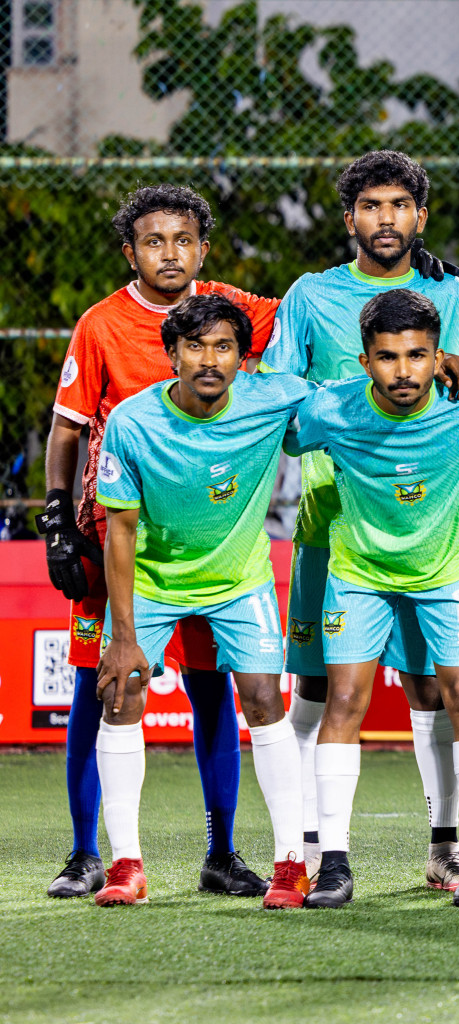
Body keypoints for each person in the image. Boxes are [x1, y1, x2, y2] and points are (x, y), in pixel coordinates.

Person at [40, 185, 279, 900]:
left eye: (183, 240)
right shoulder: (101, 324)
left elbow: (318, 311)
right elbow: (65, 431)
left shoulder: (233, 310)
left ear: (203, 247)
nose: (168, 253)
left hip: (213, 546)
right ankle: (88, 853)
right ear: (130, 251)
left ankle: (222, 852)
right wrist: (56, 518)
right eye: (153, 241)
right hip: (117, 540)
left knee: (214, 693)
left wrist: (421, 284)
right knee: (102, 685)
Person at [257, 150, 459, 890]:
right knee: (320, 690)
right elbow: (282, 396)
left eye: (400, 205)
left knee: (431, 687)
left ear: (422, 215)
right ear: (349, 216)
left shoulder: (455, 297)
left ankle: (445, 843)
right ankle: (309, 846)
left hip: (426, 526)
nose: (385, 219)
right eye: (370, 205)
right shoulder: (311, 295)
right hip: (334, 521)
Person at [288, 290, 459, 909]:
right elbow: (282, 435)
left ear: (438, 355)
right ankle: (332, 862)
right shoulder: (332, 409)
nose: (404, 371)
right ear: (363, 361)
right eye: (387, 358)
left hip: (446, 575)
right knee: (346, 700)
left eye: (418, 355)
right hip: (358, 573)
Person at [90, 294, 311, 910]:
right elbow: (121, 532)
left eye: (223, 347)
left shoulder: (275, 397)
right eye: (195, 347)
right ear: (172, 355)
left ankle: (291, 864)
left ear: (245, 357)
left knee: (266, 698)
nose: (209, 360)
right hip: (154, 580)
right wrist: (126, 638)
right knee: (120, 689)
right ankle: (126, 865)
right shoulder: (133, 423)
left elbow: (356, 390)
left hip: (240, 579)